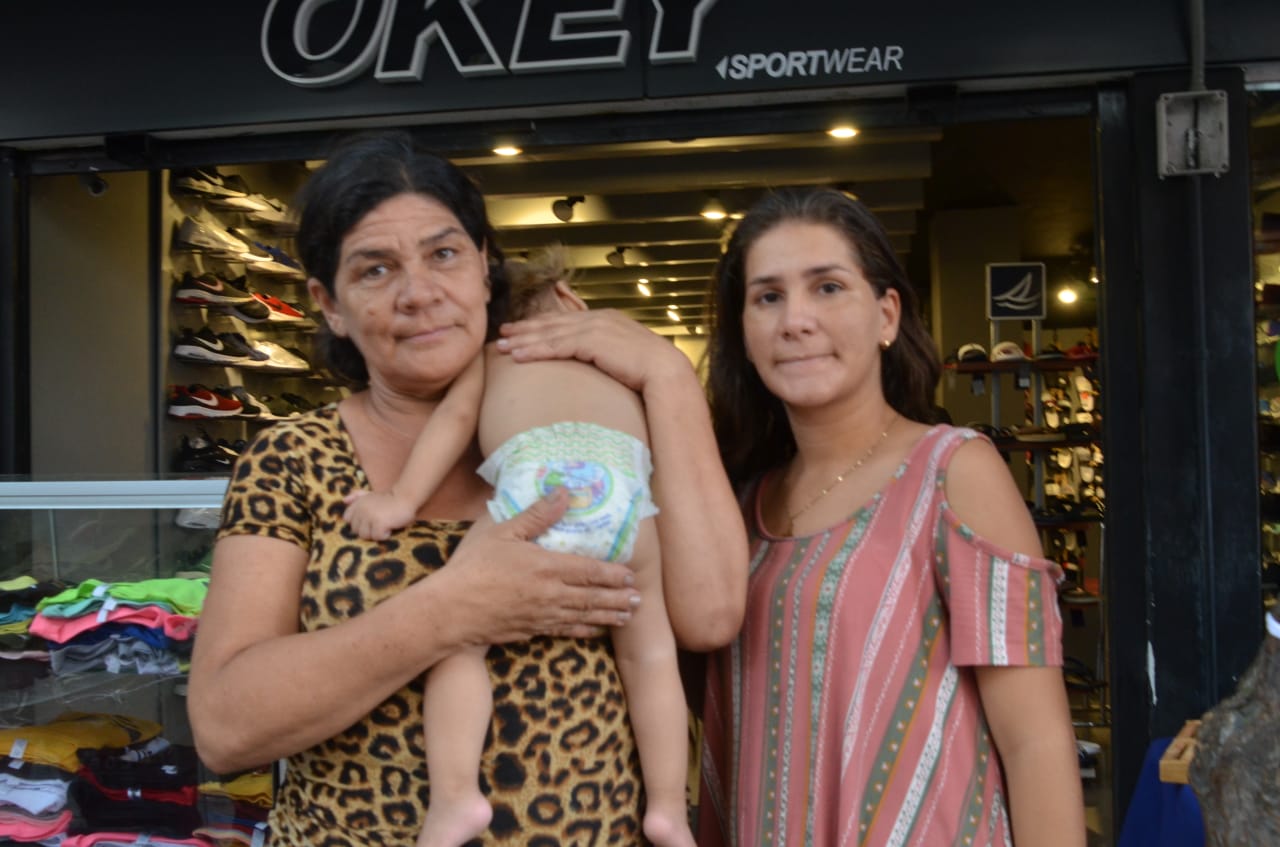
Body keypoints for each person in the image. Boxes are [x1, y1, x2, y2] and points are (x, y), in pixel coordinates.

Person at [186, 130, 747, 847]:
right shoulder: (294, 458)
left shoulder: (590, 427)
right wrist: (448, 611)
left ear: (484, 267)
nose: (420, 293)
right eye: (375, 269)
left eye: (444, 254)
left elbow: (708, 617)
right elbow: (226, 728)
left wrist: (668, 376)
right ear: (328, 304)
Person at [692, 186, 1086, 845]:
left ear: (886, 315)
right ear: (745, 334)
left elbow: (1037, 742)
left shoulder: (952, 471)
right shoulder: (737, 503)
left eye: (827, 287)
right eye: (768, 296)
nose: (795, 319)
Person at [342, 246, 698, 847]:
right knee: (651, 656)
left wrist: (400, 500)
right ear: (568, 300)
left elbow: (453, 425)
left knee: (459, 640)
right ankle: (668, 810)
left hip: (535, 495)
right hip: (622, 505)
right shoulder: (622, 366)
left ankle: (455, 799)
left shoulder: (492, 356)